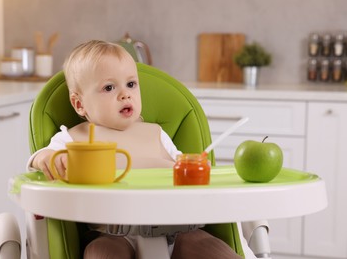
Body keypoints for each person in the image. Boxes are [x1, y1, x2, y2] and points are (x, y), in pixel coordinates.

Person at [28, 40, 249, 259]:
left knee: (208, 247)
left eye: (131, 84)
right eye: (109, 87)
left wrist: (198, 169)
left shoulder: (156, 134)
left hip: (178, 229)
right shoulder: (73, 138)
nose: (125, 95)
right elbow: (40, 158)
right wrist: (46, 158)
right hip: (114, 234)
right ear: (79, 104)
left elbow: (184, 166)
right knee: (101, 253)